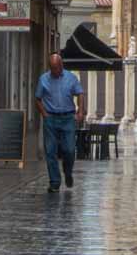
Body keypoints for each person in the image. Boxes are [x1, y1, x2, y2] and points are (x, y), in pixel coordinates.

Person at [35, 52, 84, 193]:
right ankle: (55, 182)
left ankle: (68, 172)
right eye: (53, 68)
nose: (56, 71)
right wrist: (44, 114)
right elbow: (37, 98)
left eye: (58, 67)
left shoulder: (71, 78)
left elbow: (80, 93)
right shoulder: (43, 79)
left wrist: (80, 111)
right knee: (50, 151)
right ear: (50, 67)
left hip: (68, 118)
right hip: (51, 118)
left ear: (61, 65)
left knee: (69, 150)